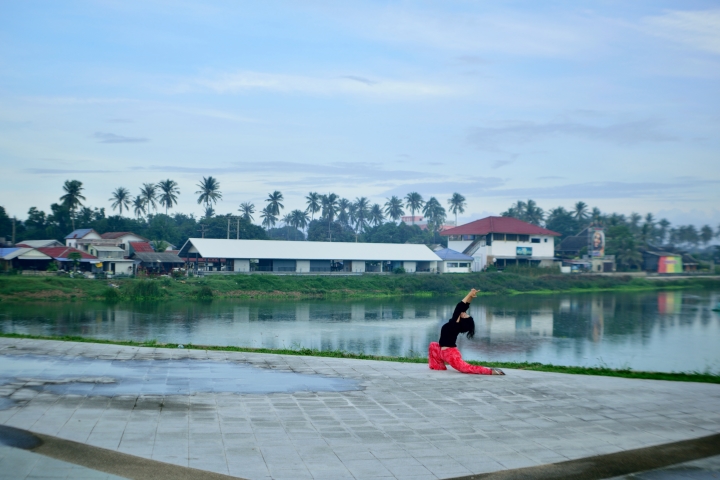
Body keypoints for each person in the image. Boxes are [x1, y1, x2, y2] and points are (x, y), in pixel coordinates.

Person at [428, 288, 504, 375]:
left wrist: (469, 294)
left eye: (465, 315)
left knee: (466, 368)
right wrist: (471, 297)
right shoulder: (454, 323)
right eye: (465, 313)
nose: (464, 313)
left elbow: (459, 307)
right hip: (441, 351)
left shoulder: (455, 325)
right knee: (433, 345)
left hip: (450, 354)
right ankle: (439, 366)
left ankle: (491, 371)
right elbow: (464, 307)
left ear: (463, 321)